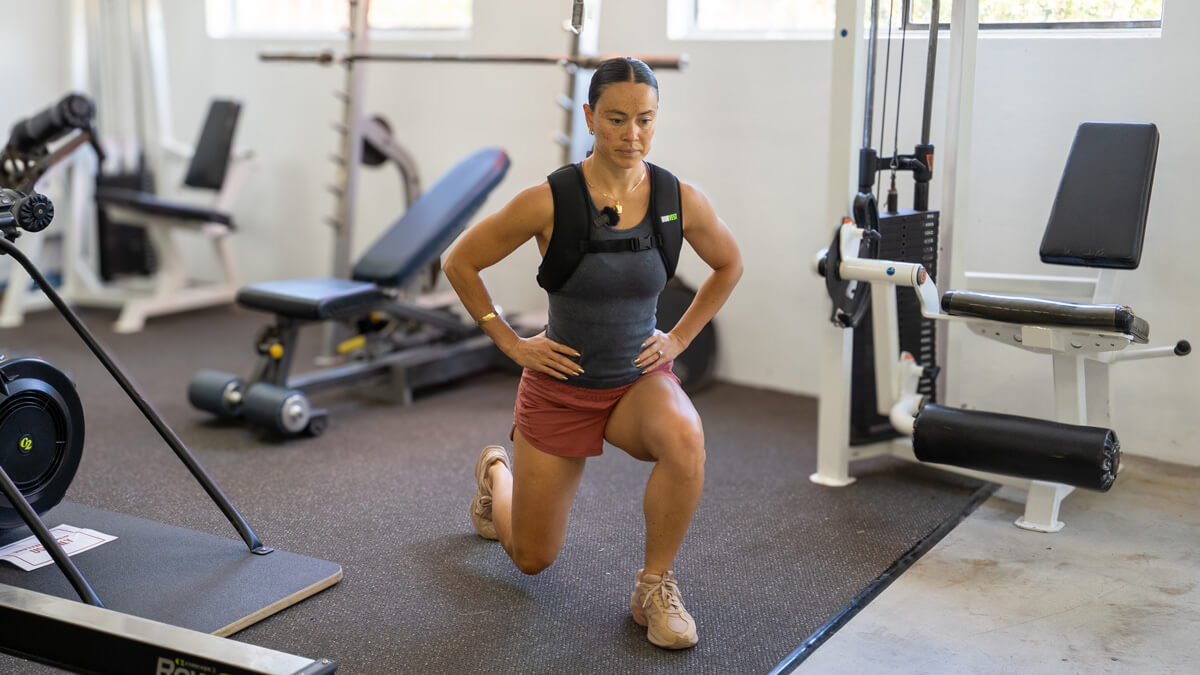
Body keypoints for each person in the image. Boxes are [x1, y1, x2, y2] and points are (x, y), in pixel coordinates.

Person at [443, 57, 742, 650]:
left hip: (636, 384)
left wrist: (678, 338)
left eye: (645, 120)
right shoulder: (549, 200)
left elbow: (729, 264)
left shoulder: (677, 199)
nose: (631, 135)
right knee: (531, 558)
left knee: (686, 438)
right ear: (589, 117)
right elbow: (460, 261)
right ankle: (496, 472)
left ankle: (654, 586)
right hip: (561, 387)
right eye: (615, 119)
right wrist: (507, 340)